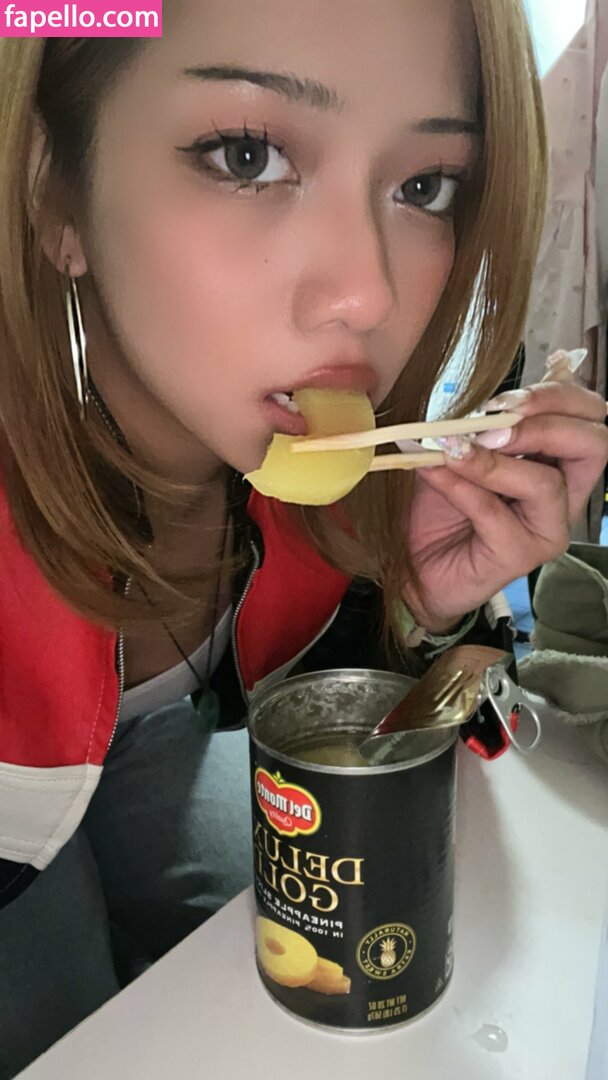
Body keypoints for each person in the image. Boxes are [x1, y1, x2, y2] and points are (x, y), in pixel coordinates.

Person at [0, 0, 607, 1074]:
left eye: (425, 187)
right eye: (246, 156)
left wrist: (420, 609)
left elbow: (363, 724)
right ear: (56, 191)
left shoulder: (317, 492)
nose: (366, 295)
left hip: (164, 748)